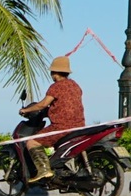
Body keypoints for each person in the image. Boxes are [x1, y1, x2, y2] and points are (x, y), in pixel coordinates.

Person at [20, 55, 85, 183]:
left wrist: (25, 110)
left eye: (52, 72)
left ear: (55, 73)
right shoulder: (75, 86)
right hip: (79, 126)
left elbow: (43, 104)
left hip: (61, 127)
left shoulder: (56, 87)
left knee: (32, 142)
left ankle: (44, 170)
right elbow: (64, 105)